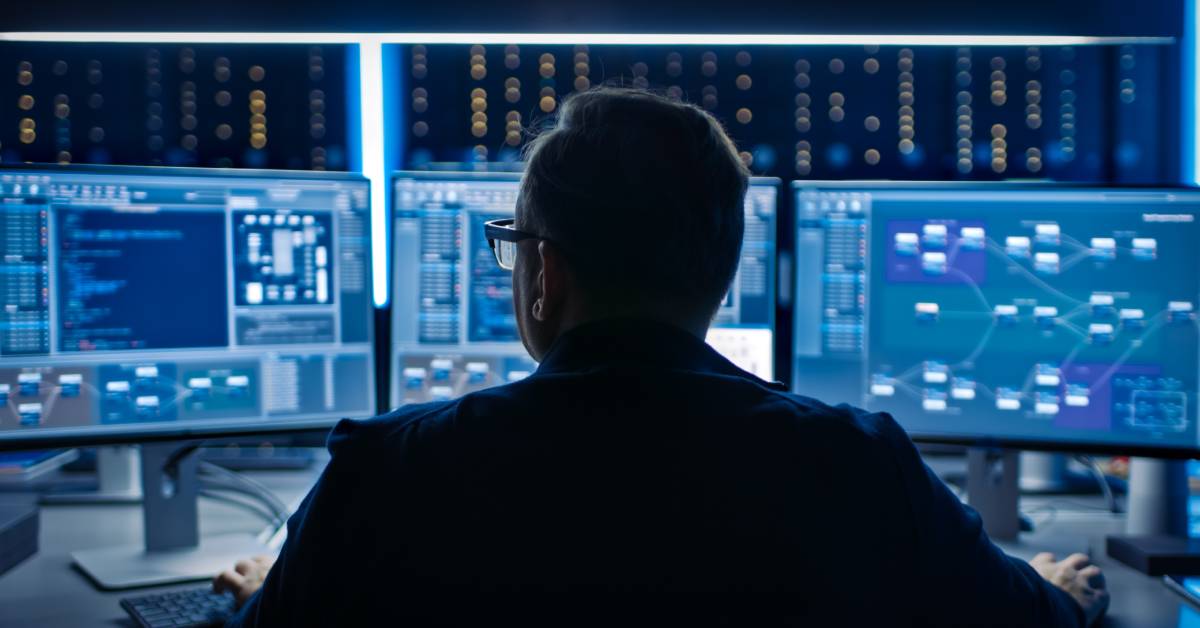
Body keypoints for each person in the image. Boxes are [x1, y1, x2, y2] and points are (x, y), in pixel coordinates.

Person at [216, 87, 1109, 626]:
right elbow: (1031, 624)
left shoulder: (383, 476)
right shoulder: (858, 467)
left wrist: (266, 590)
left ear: (545, 274)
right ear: (718, 275)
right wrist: (1062, 591)